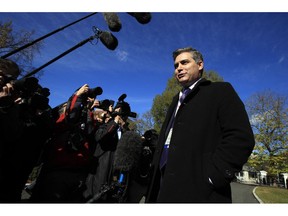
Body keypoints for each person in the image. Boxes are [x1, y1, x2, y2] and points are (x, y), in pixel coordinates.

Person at [145, 47, 255, 203]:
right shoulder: (175, 101)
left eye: (184, 62)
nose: (179, 68)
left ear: (200, 65)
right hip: (163, 187)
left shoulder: (221, 91)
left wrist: (213, 177)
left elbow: (240, 138)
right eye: (176, 66)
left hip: (200, 193)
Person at [30, 84, 100, 203]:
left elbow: (89, 130)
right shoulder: (65, 113)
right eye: (87, 96)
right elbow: (71, 116)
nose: (90, 99)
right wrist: (77, 96)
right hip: (59, 169)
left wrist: (89, 109)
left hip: (78, 171)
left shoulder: (87, 116)